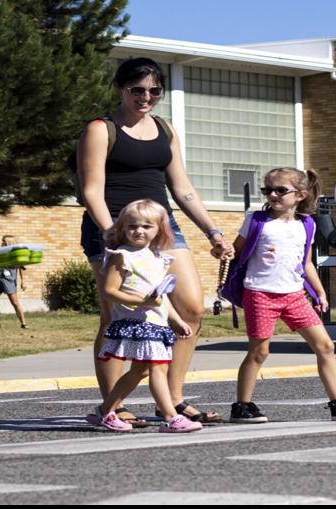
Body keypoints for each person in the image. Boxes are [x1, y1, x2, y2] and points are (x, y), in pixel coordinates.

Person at [76, 57, 233, 426]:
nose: (145, 97)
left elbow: (182, 188)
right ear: (120, 88)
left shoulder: (165, 129)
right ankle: (113, 406)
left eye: (153, 91)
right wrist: (110, 234)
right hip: (115, 229)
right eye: (137, 90)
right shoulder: (101, 129)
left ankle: (173, 400)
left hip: (162, 227)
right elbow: (91, 190)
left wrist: (213, 231)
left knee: (191, 308)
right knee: (114, 316)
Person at [226, 168, 336, 424]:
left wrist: (319, 292)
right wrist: (221, 250)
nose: (272, 195)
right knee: (259, 352)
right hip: (260, 293)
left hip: (294, 295)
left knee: (326, 346)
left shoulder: (306, 224)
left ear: (300, 195)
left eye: (280, 190)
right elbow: (236, 251)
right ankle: (242, 406)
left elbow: (305, 263)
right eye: (267, 190)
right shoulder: (256, 220)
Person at [95, 201, 199, 434]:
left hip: (156, 323)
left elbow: (161, 297)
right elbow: (109, 291)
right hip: (137, 323)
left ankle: (105, 410)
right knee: (157, 369)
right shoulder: (121, 256)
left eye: (146, 226)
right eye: (132, 226)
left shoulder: (158, 258)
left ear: (159, 229)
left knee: (139, 371)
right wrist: (144, 302)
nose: (139, 231)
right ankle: (172, 418)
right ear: (122, 228)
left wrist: (176, 320)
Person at [0, 235, 28, 330]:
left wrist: (23, 281)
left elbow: (22, 268)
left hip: (8, 279)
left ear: (9, 242)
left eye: (4, 241)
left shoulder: (16, 254)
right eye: (2, 241)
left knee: (14, 303)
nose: (2, 242)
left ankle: (23, 323)